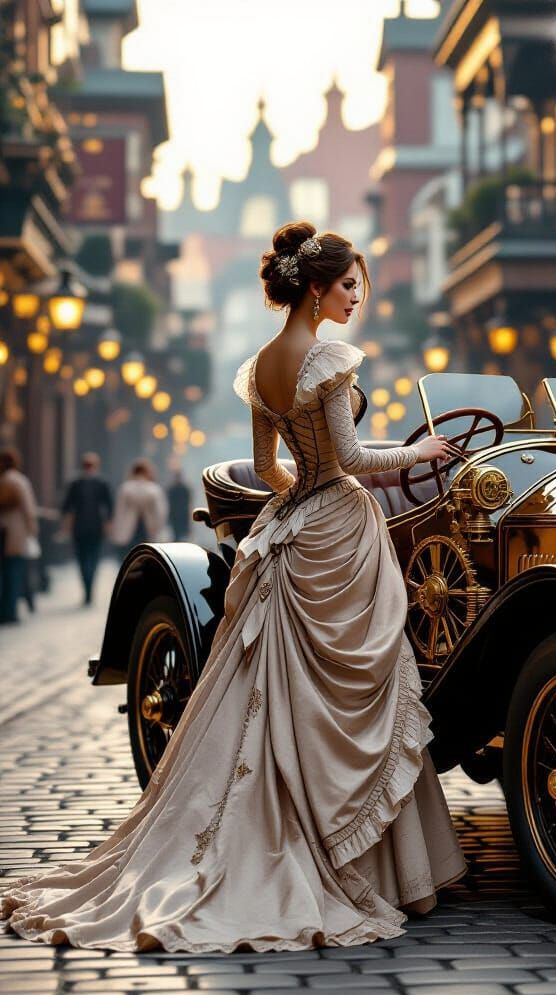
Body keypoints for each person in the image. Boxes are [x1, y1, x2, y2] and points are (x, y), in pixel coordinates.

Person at [1, 221, 467, 952]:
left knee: (295, 694)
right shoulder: (327, 361)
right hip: (342, 528)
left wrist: (294, 501)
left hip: (295, 526)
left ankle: (321, 832)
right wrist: (418, 450)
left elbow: (269, 464)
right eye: (348, 286)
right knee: (359, 684)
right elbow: (350, 457)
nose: (354, 298)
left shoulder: (261, 369)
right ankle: (364, 859)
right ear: (315, 289)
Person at [60, 452, 113, 605]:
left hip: (83, 529)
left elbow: (66, 507)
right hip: (92, 528)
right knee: (91, 561)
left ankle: (88, 590)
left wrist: (67, 524)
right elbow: (109, 507)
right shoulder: (100, 483)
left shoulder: (77, 483)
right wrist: (107, 524)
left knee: (84, 561)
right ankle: (89, 590)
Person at [0, 447, 39, 625]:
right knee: (14, 571)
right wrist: (32, 529)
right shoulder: (19, 481)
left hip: (4, 531)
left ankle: (6, 609)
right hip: (16, 531)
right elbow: (28, 508)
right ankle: (10, 610)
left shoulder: (3, 480)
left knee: (6, 572)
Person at [109, 459, 168, 561]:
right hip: (148, 528)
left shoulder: (125, 488)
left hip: (127, 530)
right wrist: (158, 527)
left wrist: (116, 530)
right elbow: (161, 512)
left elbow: (119, 511)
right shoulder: (154, 489)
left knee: (127, 559)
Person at [166, 470, 192, 542]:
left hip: (177, 516)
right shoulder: (185, 489)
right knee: (181, 536)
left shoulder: (171, 489)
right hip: (180, 516)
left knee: (178, 536)